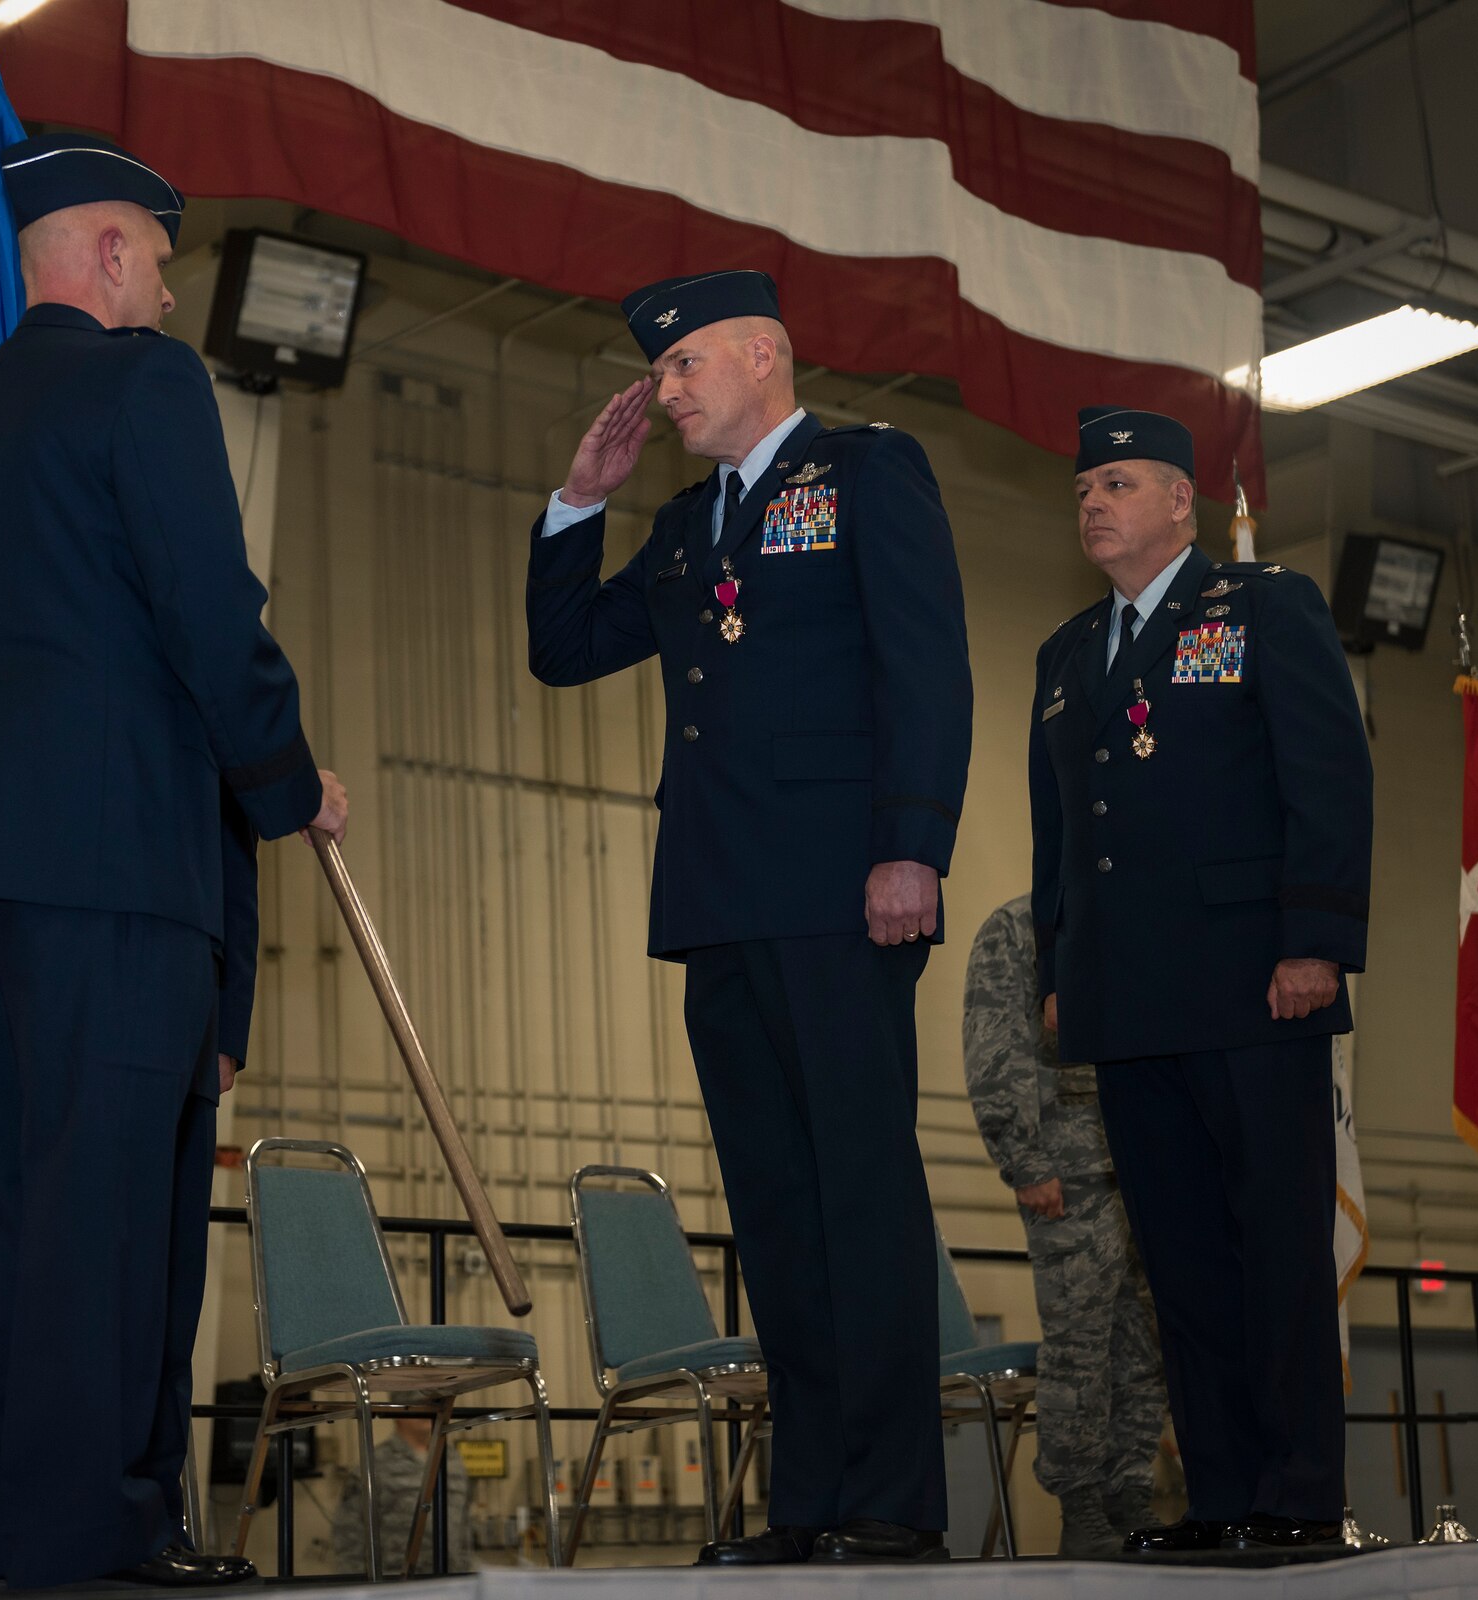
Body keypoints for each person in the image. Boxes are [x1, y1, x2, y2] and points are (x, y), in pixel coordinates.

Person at [0, 131, 347, 1590]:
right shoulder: (147, 383)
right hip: (112, 866)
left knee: (8, 1222)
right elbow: (207, 612)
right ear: (100, 251)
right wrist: (284, 783)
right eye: (153, 251)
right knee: (110, 1216)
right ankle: (109, 1544)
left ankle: (30, 1540)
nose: (162, 281)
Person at [527, 270, 973, 1565]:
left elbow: (923, 660)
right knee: (776, 1203)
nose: (662, 392)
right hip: (719, 900)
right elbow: (565, 649)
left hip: (845, 888)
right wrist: (581, 502)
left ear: (766, 353)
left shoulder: (864, 471)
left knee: (860, 1189)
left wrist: (912, 847)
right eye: (657, 373)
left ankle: (891, 1499)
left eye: (683, 368)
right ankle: (812, 1500)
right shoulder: (677, 527)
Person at [1028, 408, 1371, 1561]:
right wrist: (1058, 968)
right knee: (1178, 1262)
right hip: (1126, 1003)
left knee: (1272, 1248)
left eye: (1117, 483)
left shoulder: (1260, 608)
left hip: (1254, 985)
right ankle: (1223, 1494)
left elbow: (1325, 776)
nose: (1093, 503)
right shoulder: (1068, 655)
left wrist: (1313, 940)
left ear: (1180, 501)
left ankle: (1298, 1496)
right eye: (1084, 488)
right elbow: (1061, 838)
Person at [962, 895, 1167, 1557]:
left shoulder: (1138, 921)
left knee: (1148, 1346)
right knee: (1080, 1345)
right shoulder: (1022, 927)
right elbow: (995, 1047)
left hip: (1149, 1160)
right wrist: (1023, 1156)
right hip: (1071, 1170)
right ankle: (1081, 1504)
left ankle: (1130, 1493)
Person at [329, 1416, 474, 1577]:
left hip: (450, 1581)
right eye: (418, 1405)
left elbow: (464, 1527)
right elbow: (349, 1534)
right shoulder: (375, 1463)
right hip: (393, 1583)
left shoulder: (453, 1461)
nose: (426, 1413)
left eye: (433, 1404)